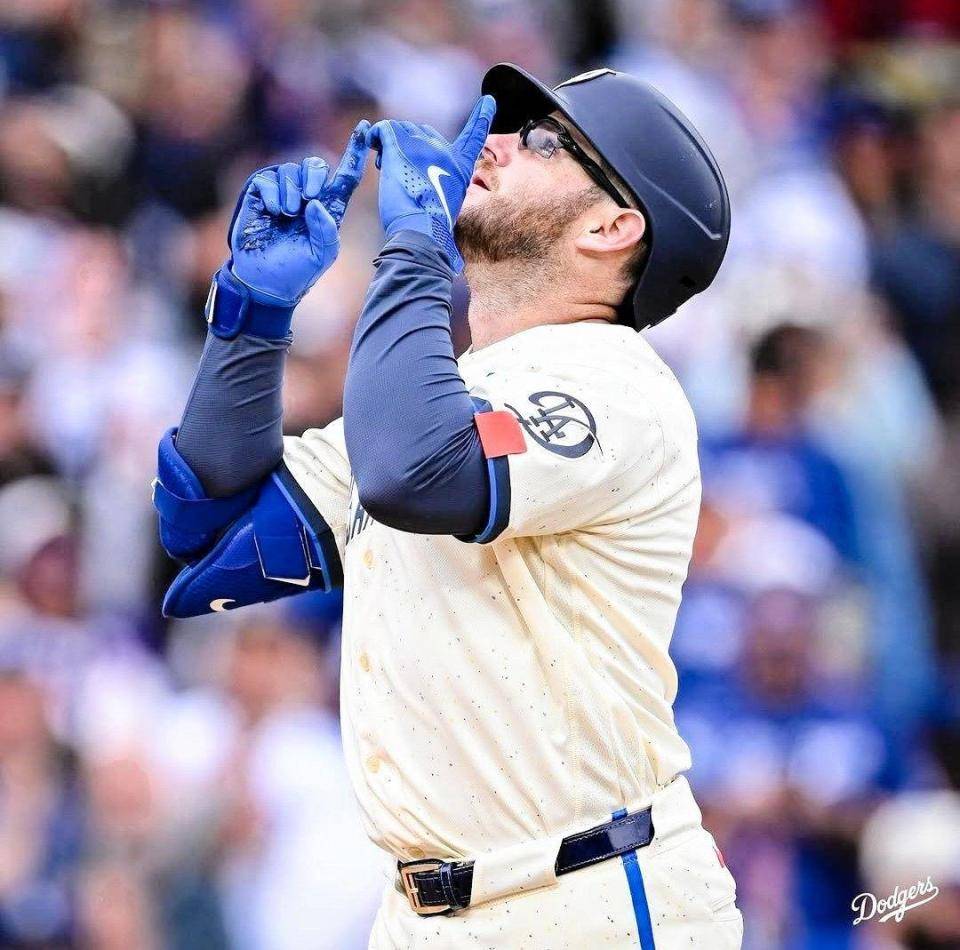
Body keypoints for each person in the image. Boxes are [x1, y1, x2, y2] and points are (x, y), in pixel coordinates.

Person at [154, 63, 739, 948]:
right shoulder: (448, 394)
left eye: (542, 140)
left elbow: (414, 471)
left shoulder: (618, 384)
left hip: (588, 898)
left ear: (612, 225)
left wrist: (416, 245)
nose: (492, 142)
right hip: (422, 914)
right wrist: (253, 313)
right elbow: (207, 533)